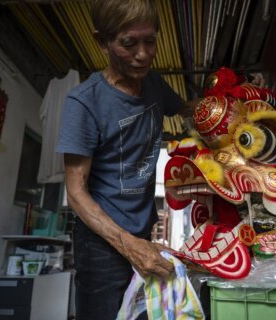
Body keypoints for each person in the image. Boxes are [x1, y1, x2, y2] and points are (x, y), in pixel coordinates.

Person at [55, 0, 195, 318]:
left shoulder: (155, 83)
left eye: (150, 41)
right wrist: (128, 245)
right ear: (102, 41)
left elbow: (187, 110)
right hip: (101, 242)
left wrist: (225, 107)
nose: (143, 54)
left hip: (142, 231)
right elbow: (76, 193)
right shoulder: (84, 102)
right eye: (129, 43)